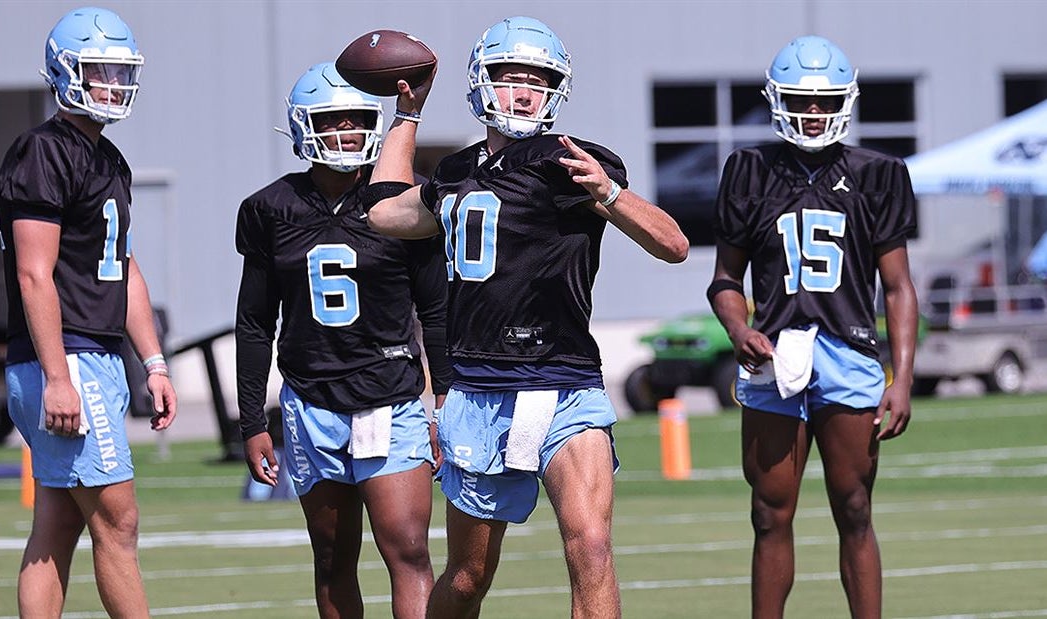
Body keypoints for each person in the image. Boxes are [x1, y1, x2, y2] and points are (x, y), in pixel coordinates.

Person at [363, 16, 689, 618]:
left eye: (538, 82)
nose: (523, 93)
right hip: (481, 390)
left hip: (566, 383)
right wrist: (408, 115)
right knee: (468, 578)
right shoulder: (456, 172)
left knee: (591, 547)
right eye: (510, 78)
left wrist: (609, 194)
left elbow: (673, 245)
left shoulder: (568, 160)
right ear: (482, 82)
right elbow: (384, 214)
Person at [706, 35, 918, 619]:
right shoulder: (748, 170)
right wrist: (738, 329)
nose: (815, 111)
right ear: (778, 100)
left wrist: (902, 378)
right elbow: (725, 279)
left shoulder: (878, 173)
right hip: (775, 355)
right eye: (802, 99)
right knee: (769, 512)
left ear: (846, 101)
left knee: (854, 508)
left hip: (848, 353)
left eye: (825, 100)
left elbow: (899, 287)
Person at [234, 61, 451, 619]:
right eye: (332, 120)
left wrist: (445, 401)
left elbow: (437, 310)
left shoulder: (402, 201)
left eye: (356, 118)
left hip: (391, 399)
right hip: (310, 402)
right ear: (302, 126)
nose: (347, 131)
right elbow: (255, 322)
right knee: (332, 558)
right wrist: (253, 421)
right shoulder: (269, 209)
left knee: (409, 550)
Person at [0, 7, 176, 618]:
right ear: (65, 71)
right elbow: (33, 272)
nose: (113, 84)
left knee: (56, 526)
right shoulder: (43, 151)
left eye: (120, 71)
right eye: (100, 70)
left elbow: (122, 268)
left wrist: (154, 362)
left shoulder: (110, 159)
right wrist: (57, 376)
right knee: (118, 524)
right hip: (65, 357)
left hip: (93, 357)